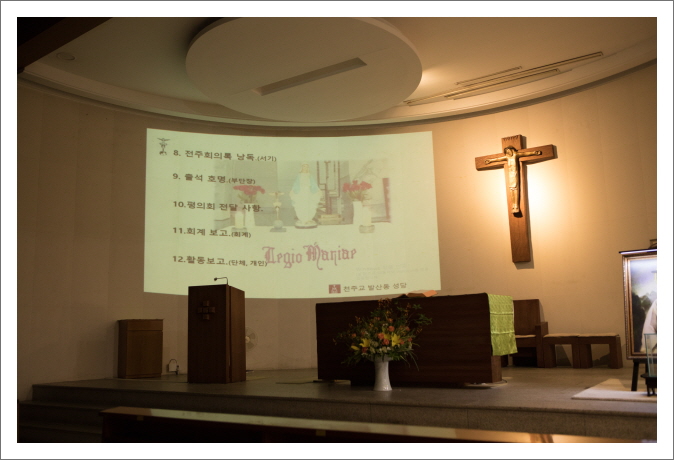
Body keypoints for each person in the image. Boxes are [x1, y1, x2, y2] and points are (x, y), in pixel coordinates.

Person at [485, 146, 542, 214]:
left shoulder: (515, 155)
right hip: (510, 175)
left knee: (515, 189)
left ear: (512, 150)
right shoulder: (507, 157)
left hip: (515, 174)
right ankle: (513, 206)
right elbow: (498, 159)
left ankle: (516, 206)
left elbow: (525, 154)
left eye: (509, 151)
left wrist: (534, 153)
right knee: (511, 190)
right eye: (507, 152)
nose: (508, 153)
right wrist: (490, 160)